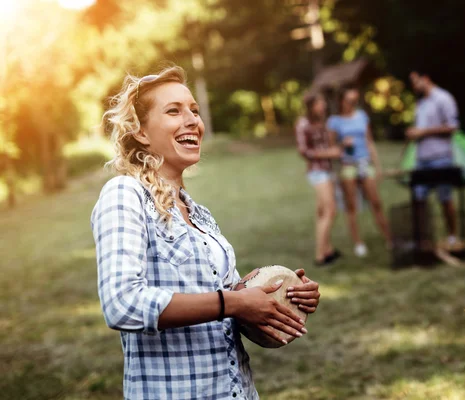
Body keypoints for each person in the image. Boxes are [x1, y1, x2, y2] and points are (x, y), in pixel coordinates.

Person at [90, 65, 321, 400]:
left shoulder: (200, 215)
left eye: (194, 111)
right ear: (140, 131)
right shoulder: (125, 194)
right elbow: (122, 304)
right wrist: (235, 302)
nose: (192, 120)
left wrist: (282, 295)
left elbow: (231, 311)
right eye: (174, 111)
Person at [326, 85, 392, 257]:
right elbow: (331, 147)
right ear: (341, 101)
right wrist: (342, 144)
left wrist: (377, 166)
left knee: (376, 202)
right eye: (350, 100)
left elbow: (369, 141)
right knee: (352, 206)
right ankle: (358, 243)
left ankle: (389, 238)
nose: (353, 103)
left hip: (365, 163)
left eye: (355, 100)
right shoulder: (334, 121)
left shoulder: (362, 116)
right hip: (348, 165)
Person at [406, 69, 460, 249]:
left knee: (445, 198)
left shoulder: (443, 98)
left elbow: (452, 127)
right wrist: (414, 133)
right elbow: (421, 128)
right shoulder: (421, 103)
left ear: (426, 79)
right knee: (418, 198)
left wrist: (423, 132)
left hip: (441, 158)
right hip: (422, 159)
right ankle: (423, 239)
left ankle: (452, 236)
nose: (414, 86)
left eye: (416, 81)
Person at [295, 92, 342, 266]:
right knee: (331, 210)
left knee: (323, 212)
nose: (323, 106)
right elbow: (303, 151)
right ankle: (320, 255)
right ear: (311, 106)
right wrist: (329, 153)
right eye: (319, 103)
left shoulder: (321, 122)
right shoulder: (303, 124)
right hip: (317, 172)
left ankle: (327, 250)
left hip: (327, 170)